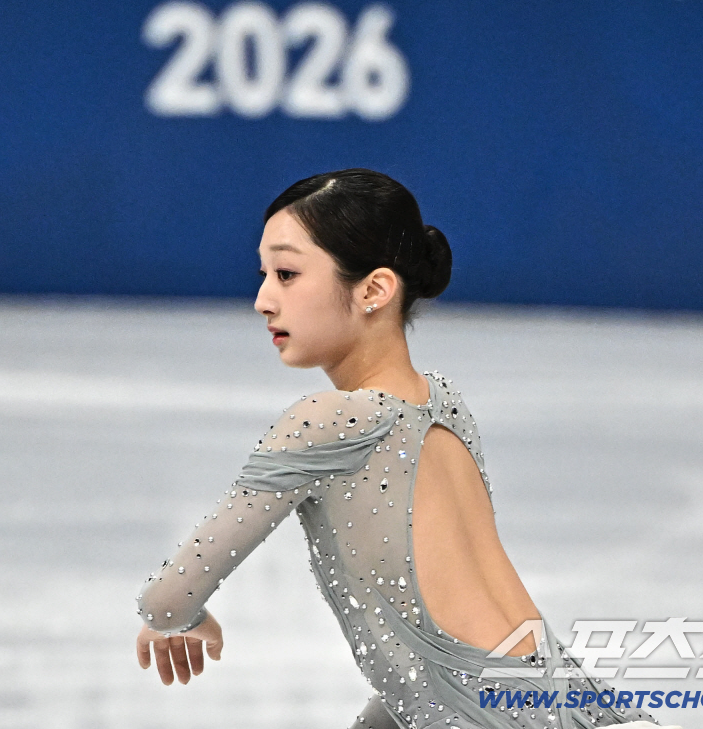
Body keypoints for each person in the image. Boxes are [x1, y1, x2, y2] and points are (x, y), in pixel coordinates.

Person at [134, 169, 662, 729]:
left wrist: (178, 619)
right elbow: (439, 658)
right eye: (263, 273)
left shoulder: (327, 420)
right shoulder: (447, 405)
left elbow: (169, 596)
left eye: (287, 274)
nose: (263, 300)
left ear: (374, 290)